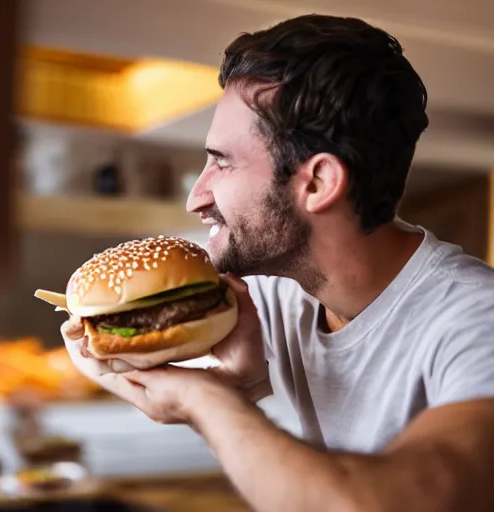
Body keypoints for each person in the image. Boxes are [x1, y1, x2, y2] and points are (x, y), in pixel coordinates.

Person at [62, 14, 494, 512]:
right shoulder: (275, 289)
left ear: (317, 183)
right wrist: (237, 383)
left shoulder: (474, 323)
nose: (196, 198)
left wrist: (207, 401)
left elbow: (371, 503)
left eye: (220, 161)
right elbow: (98, 330)